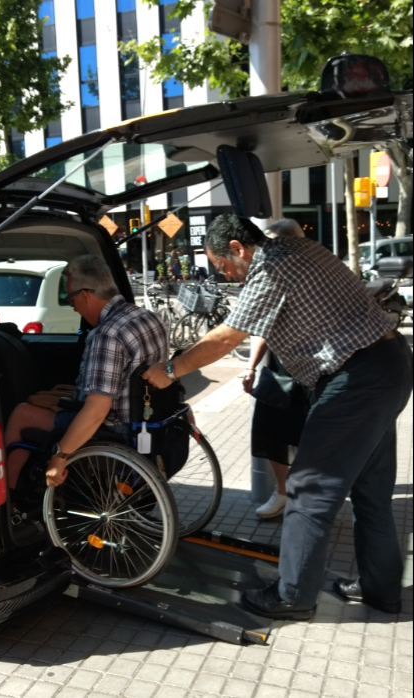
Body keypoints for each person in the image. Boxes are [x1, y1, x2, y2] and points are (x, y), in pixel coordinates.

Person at [144, 213, 412, 621]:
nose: (228, 276)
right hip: (387, 364)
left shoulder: (270, 267)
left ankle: (293, 595)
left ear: (237, 248)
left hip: (356, 379)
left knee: (307, 489)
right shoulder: (299, 247)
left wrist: (169, 371)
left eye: (223, 266)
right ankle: (380, 589)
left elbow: (226, 338)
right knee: (370, 490)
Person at [5, 255, 169, 490]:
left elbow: (97, 410)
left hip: (114, 428)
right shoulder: (147, 317)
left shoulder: (107, 334)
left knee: (22, 414)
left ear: (84, 295)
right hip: (147, 419)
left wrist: (60, 457)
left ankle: (10, 497)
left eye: (71, 299)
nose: (73, 306)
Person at [247, 218, 309, 518]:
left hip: (316, 372)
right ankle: (282, 492)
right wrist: (251, 367)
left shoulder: (312, 274)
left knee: (311, 438)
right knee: (268, 431)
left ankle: (308, 498)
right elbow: (263, 327)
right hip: (280, 371)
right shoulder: (273, 275)